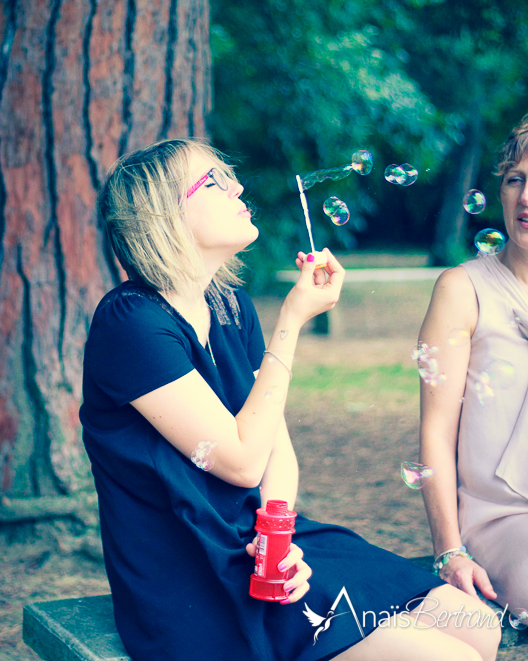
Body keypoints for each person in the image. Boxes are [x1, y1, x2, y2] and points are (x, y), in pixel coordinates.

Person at [80, 137, 500, 661]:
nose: (236, 186)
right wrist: (294, 321)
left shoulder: (229, 304)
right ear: (164, 214)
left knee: (480, 627)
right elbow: (239, 462)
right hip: (194, 574)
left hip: (261, 544)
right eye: (213, 181)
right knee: (448, 658)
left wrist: (276, 540)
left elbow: (276, 450)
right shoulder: (131, 324)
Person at [419, 114, 528, 614]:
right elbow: (436, 433)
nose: (526, 197)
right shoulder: (462, 289)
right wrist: (450, 550)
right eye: (515, 180)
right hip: (503, 518)